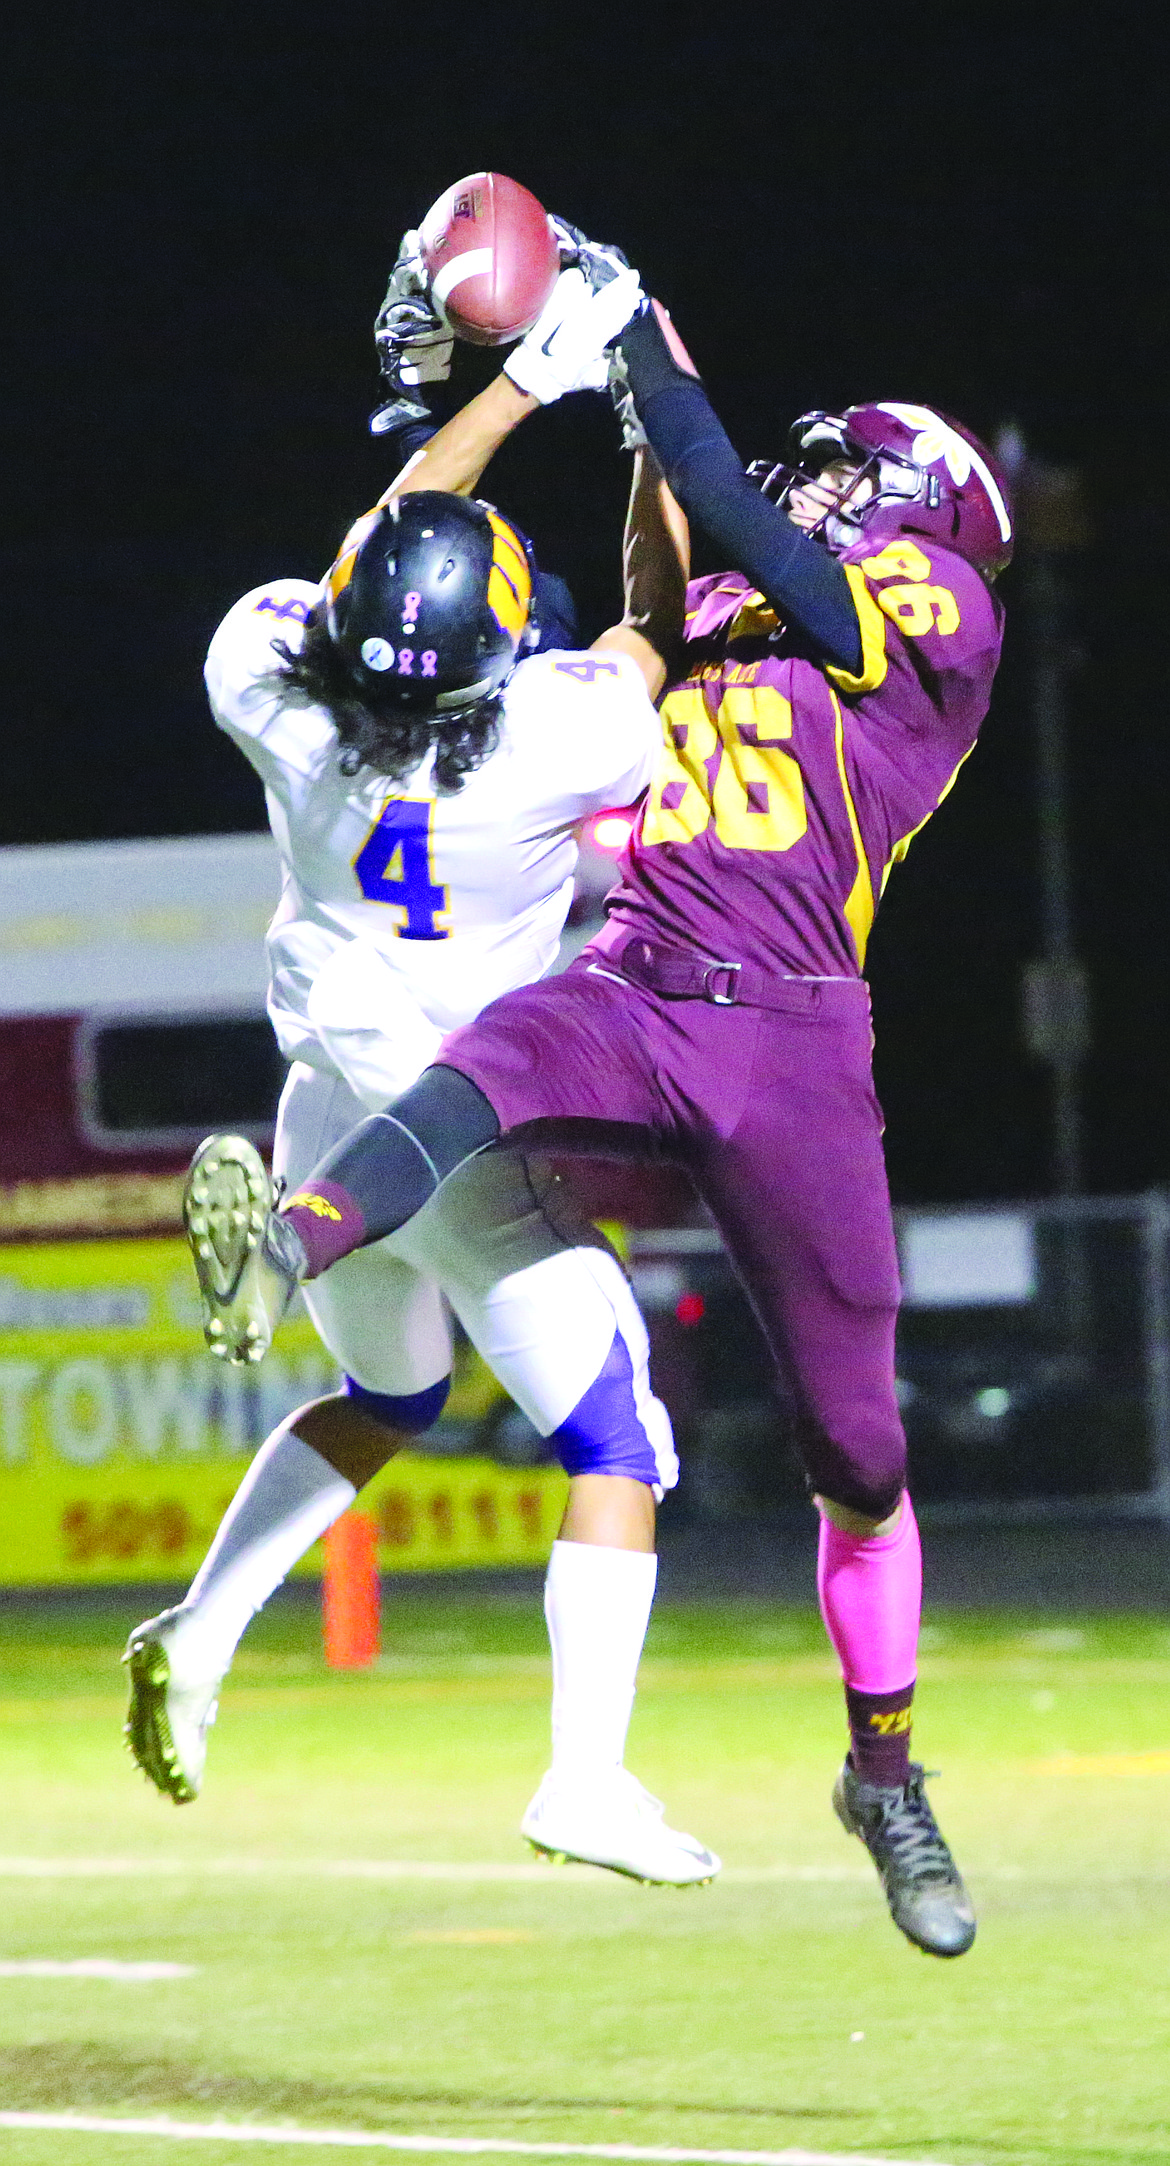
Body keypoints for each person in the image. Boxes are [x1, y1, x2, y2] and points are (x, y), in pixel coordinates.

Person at [179, 244, 1012, 1959]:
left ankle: (884, 1769)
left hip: (788, 1030)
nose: (823, 475)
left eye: (857, 466)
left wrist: (625, 333)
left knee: (858, 1451)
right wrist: (632, 382)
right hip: (632, 974)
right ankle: (290, 1242)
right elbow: (663, 563)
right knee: (473, 1078)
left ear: (921, 500)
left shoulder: (938, 609)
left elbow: (710, 498)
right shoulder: (703, 619)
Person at [123, 260, 720, 1888]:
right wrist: (645, 416)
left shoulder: (275, 696)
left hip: (321, 1101)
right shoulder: (540, 740)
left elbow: (371, 553)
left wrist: (519, 379)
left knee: (390, 1395)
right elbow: (654, 630)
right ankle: (583, 1777)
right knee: (618, 1444)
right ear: (491, 653)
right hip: (461, 1132)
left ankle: (201, 1623)